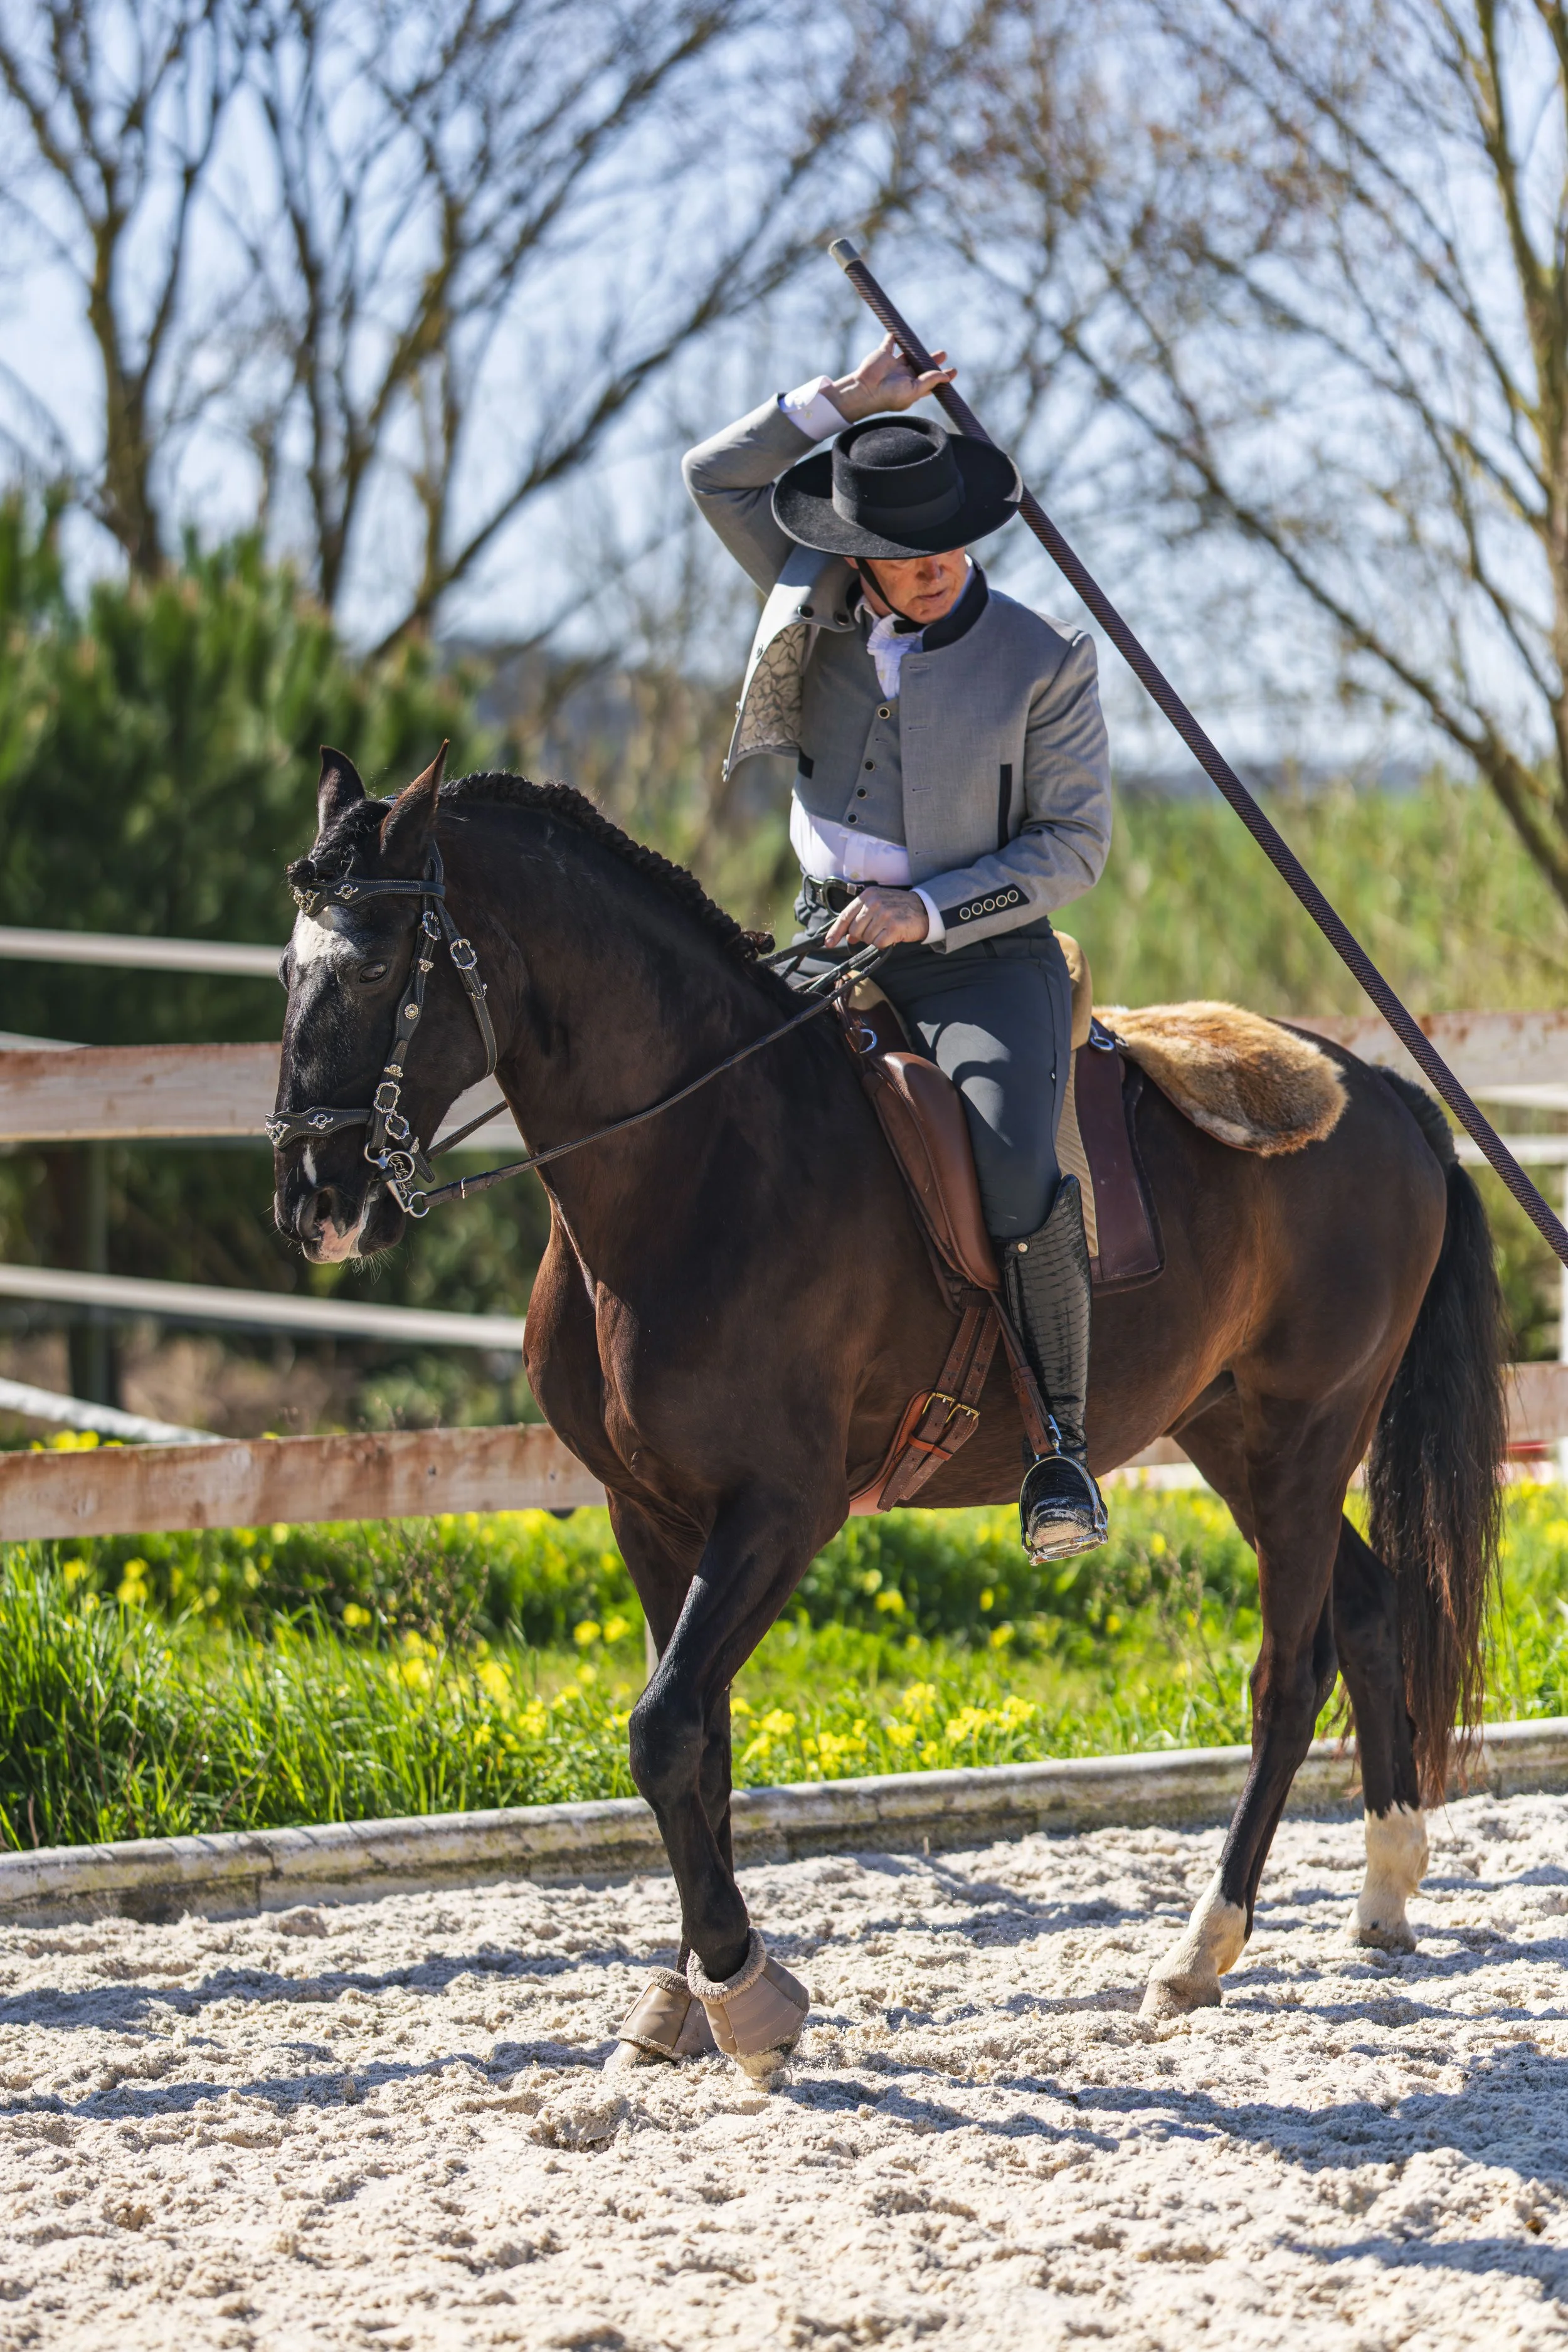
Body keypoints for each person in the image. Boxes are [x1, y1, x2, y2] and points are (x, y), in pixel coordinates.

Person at [682, 334, 1113, 1560]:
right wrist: (838, 402)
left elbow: (1071, 850)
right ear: (853, 551)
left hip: (980, 960)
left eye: (946, 545)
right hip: (822, 943)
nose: (930, 568)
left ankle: (1059, 1452)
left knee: (1011, 1159)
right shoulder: (801, 585)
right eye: (899, 552)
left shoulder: (1042, 661)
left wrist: (924, 913)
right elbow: (709, 476)